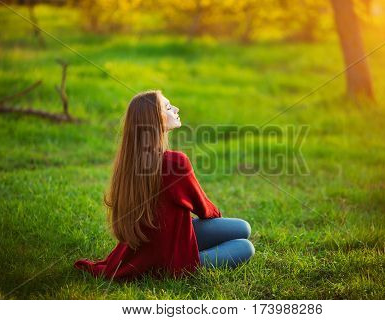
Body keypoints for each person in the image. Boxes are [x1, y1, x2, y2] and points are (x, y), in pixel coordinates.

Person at [74, 90, 255, 281]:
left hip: (149, 245)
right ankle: (186, 262)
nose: (176, 109)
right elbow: (203, 208)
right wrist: (215, 220)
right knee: (245, 246)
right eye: (168, 107)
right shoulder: (174, 162)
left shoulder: (129, 162)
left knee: (243, 227)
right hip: (171, 259)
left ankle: (185, 249)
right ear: (155, 119)